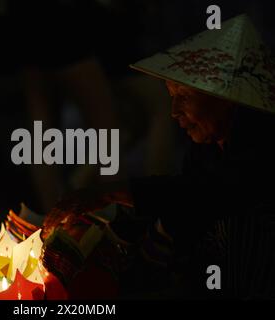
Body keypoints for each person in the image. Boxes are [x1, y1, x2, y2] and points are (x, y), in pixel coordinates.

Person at [42, 14, 275, 298]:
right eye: (171, 96)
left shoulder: (261, 152)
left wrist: (109, 193)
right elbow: (184, 197)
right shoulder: (209, 148)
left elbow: (206, 196)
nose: (174, 112)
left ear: (227, 98)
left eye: (185, 97)